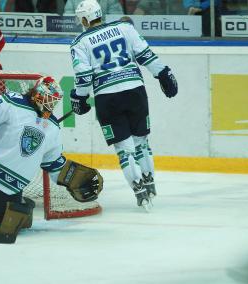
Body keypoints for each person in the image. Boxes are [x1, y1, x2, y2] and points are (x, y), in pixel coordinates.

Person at [0, 76, 103, 240]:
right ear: (36, 93)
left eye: (53, 101)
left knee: (2, 227)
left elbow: (53, 164)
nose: (49, 103)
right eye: (47, 98)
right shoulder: (11, 101)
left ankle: (11, 210)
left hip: (10, 186)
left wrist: (73, 177)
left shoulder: (52, 126)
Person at [69, 0, 178, 209]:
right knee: (142, 142)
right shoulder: (124, 28)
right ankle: (150, 182)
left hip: (107, 98)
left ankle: (139, 190)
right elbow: (147, 56)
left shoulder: (79, 43)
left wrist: (79, 98)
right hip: (135, 91)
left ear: (84, 19)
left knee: (124, 150)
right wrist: (163, 73)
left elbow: (83, 76)